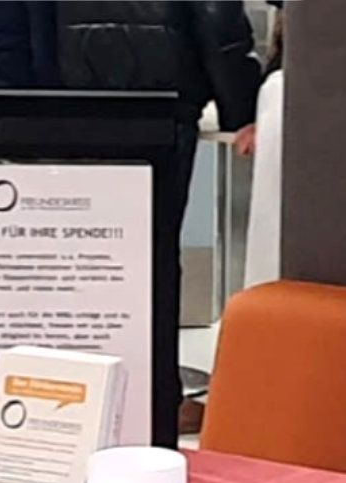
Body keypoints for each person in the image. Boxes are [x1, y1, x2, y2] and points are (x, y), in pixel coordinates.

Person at [54, 2, 262, 446]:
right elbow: (217, 19)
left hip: (75, 105)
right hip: (161, 103)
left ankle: (78, 402)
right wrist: (242, 110)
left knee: (80, 260)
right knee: (153, 260)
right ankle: (154, 405)